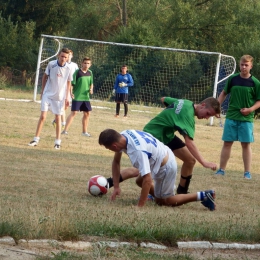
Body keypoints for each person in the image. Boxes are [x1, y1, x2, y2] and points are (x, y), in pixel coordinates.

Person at [106, 97, 221, 195]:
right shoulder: (188, 116)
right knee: (140, 171)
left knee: (190, 160)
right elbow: (189, 143)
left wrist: (168, 116)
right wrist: (204, 162)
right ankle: (107, 183)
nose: (206, 117)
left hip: (166, 135)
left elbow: (164, 99)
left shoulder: (185, 102)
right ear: (203, 105)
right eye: (208, 114)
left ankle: (181, 193)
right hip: (153, 135)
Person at [99, 128, 216, 210]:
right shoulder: (123, 134)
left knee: (165, 202)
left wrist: (139, 206)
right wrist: (116, 187)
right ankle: (156, 194)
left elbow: (148, 180)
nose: (109, 150)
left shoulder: (137, 151)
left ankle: (204, 195)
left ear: (114, 146)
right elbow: (116, 161)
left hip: (165, 166)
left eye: (108, 148)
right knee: (139, 181)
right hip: (161, 154)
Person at [215, 55, 260, 179]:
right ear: (239, 65)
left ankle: (247, 172)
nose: (244, 67)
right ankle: (221, 170)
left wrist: (250, 109)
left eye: (246, 65)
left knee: (246, 145)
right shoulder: (233, 79)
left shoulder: (255, 83)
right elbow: (224, 93)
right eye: (242, 64)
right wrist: (216, 107)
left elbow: (259, 101)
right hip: (231, 116)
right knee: (227, 143)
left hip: (246, 119)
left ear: (251, 66)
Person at [28, 48, 73, 149]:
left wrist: (67, 97)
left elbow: (69, 82)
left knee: (58, 118)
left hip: (59, 97)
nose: (63, 58)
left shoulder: (69, 68)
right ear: (58, 56)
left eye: (65, 57)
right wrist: (43, 91)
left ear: (67, 58)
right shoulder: (51, 64)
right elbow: (44, 77)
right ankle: (35, 139)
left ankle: (57, 142)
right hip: (47, 94)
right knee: (43, 116)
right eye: (62, 56)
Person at [61, 57, 93, 137]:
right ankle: (65, 130)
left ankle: (84, 132)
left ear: (90, 64)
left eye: (88, 63)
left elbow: (91, 83)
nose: (86, 65)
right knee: (74, 112)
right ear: (82, 63)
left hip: (86, 97)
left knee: (87, 113)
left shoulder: (90, 72)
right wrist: (71, 93)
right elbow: (72, 84)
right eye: (85, 63)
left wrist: (91, 89)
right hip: (77, 96)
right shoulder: (77, 72)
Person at [52, 49, 79, 128]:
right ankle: (62, 122)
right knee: (62, 104)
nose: (68, 56)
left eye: (70, 55)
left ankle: (57, 118)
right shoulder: (61, 64)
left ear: (71, 56)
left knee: (66, 106)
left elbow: (76, 76)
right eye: (68, 54)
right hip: (62, 88)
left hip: (70, 87)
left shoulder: (74, 65)